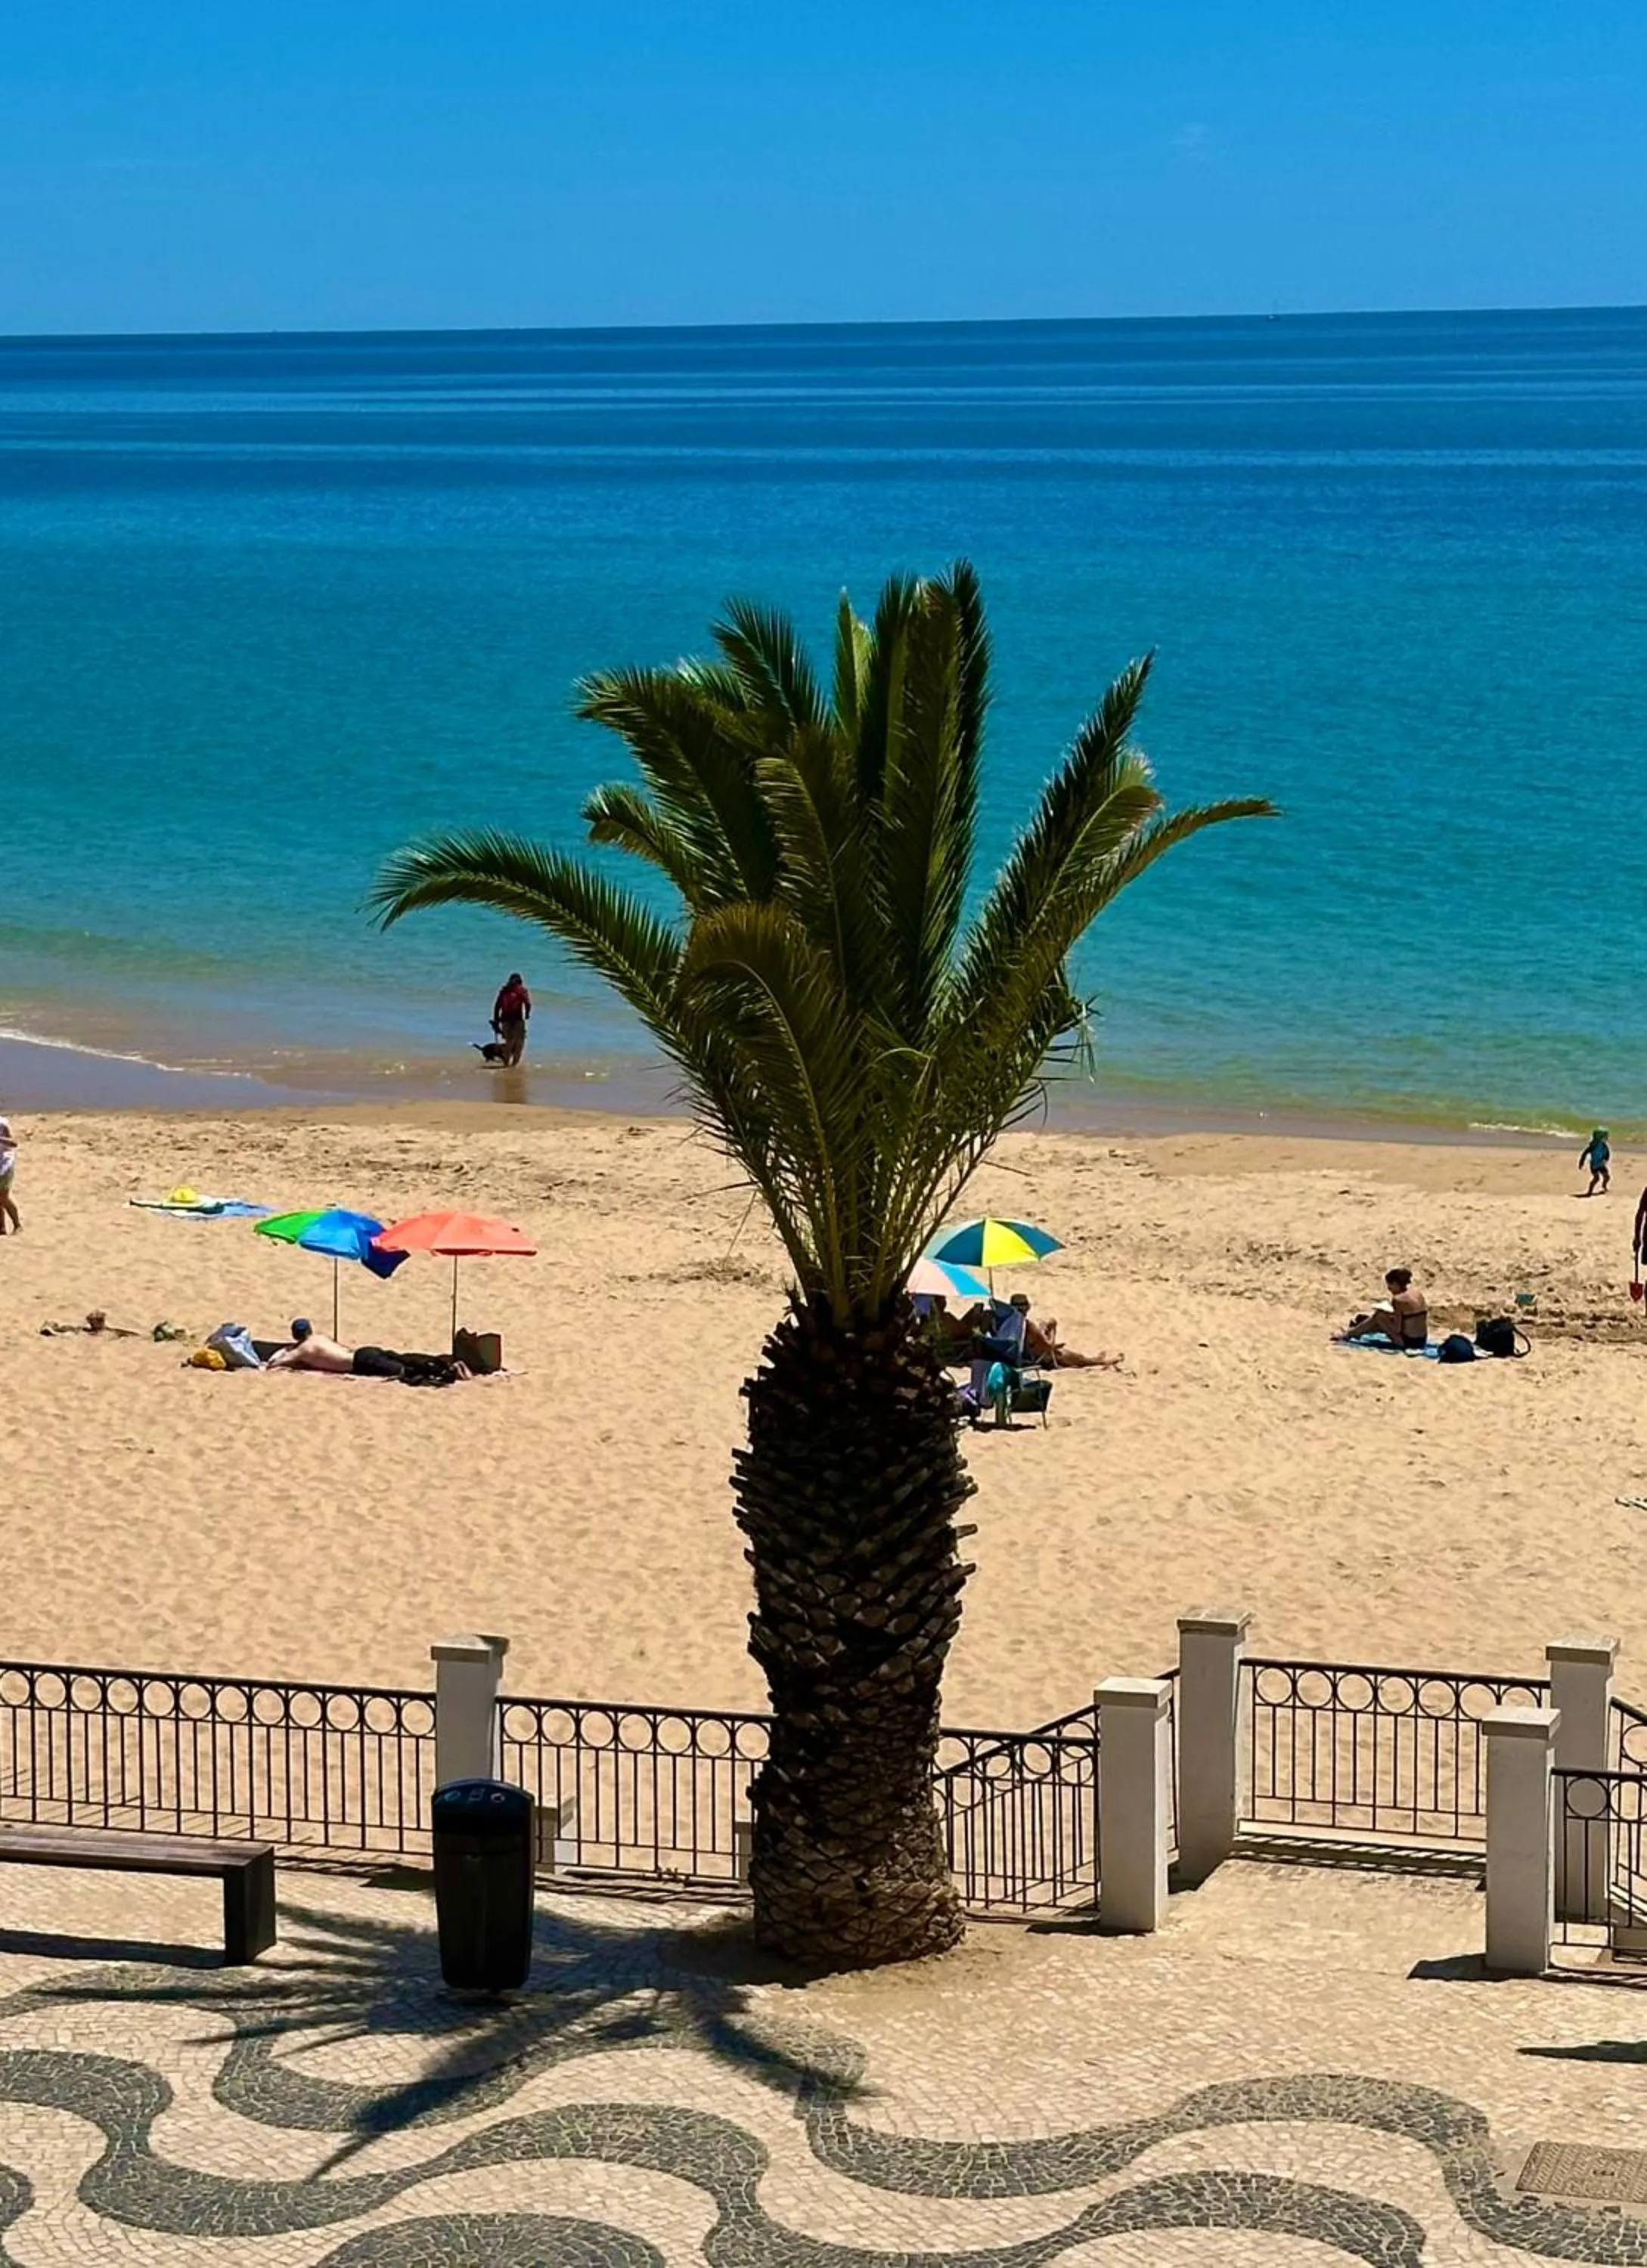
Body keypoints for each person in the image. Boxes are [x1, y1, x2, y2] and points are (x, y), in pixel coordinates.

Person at [1009, 1291, 1123, 1371]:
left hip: (1024, 1353)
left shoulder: (1009, 1322)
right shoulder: (1029, 1326)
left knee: (1046, 1325)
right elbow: (1049, 1346)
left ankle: (1095, 1359)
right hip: (1041, 1357)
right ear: (1028, 1307)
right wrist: (1053, 1333)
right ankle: (1102, 1362)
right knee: (1075, 1358)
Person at [265, 1318, 402, 1378]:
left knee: (403, 1372)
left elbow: (274, 1364)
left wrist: (287, 1353)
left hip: (360, 1364)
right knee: (404, 1359)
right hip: (363, 1352)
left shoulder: (303, 1350)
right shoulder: (321, 1337)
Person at [1344, 1267, 1428, 1351]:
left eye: (1390, 1287)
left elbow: (1397, 1328)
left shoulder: (1398, 1299)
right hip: (1422, 1340)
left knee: (1379, 1316)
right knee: (1380, 1319)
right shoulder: (1417, 1293)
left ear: (1395, 1284)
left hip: (1408, 1343)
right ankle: (1355, 1332)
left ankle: (1351, 1334)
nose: (1390, 1290)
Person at [492, 972, 532, 1067]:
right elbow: (528, 1003)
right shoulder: (521, 990)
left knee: (509, 1042)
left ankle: (506, 1063)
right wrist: (527, 1014)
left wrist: (496, 1020)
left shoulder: (504, 991)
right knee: (519, 1043)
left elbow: (497, 1006)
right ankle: (514, 1065)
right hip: (517, 1019)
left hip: (505, 1019)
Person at [0, 1112, 18, 1235]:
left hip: (5, 1164)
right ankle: (1, 1227)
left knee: (3, 1197)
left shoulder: (2, 1123)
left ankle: (17, 1225)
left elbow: (14, 1143)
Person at [1580, 1127, 1612, 1196]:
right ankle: (1590, 1191)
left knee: (1607, 1177)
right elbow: (1585, 1153)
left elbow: (1607, 1153)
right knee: (1596, 1178)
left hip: (1601, 1164)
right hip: (1594, 1165)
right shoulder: (1593, 1146)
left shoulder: (1604, 1145)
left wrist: (1606, 1159)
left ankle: (1604, 1185)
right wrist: (1581, 1162)